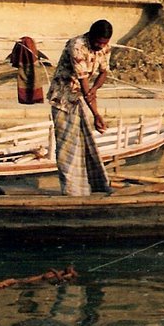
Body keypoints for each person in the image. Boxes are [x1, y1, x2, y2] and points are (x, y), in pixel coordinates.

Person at [46, 19, 113, 196]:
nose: (100, 46)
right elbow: (83, 84)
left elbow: (104, 72)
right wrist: (97, 115)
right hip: (63, 99)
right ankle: (72, 191)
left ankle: (92, 185)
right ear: (91, 36)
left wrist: (95, 88)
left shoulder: (104, 47)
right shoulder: (77, 46)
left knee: (85, 142)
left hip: (82, 99)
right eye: (98, 42)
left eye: (103, 43)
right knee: (67, 147)